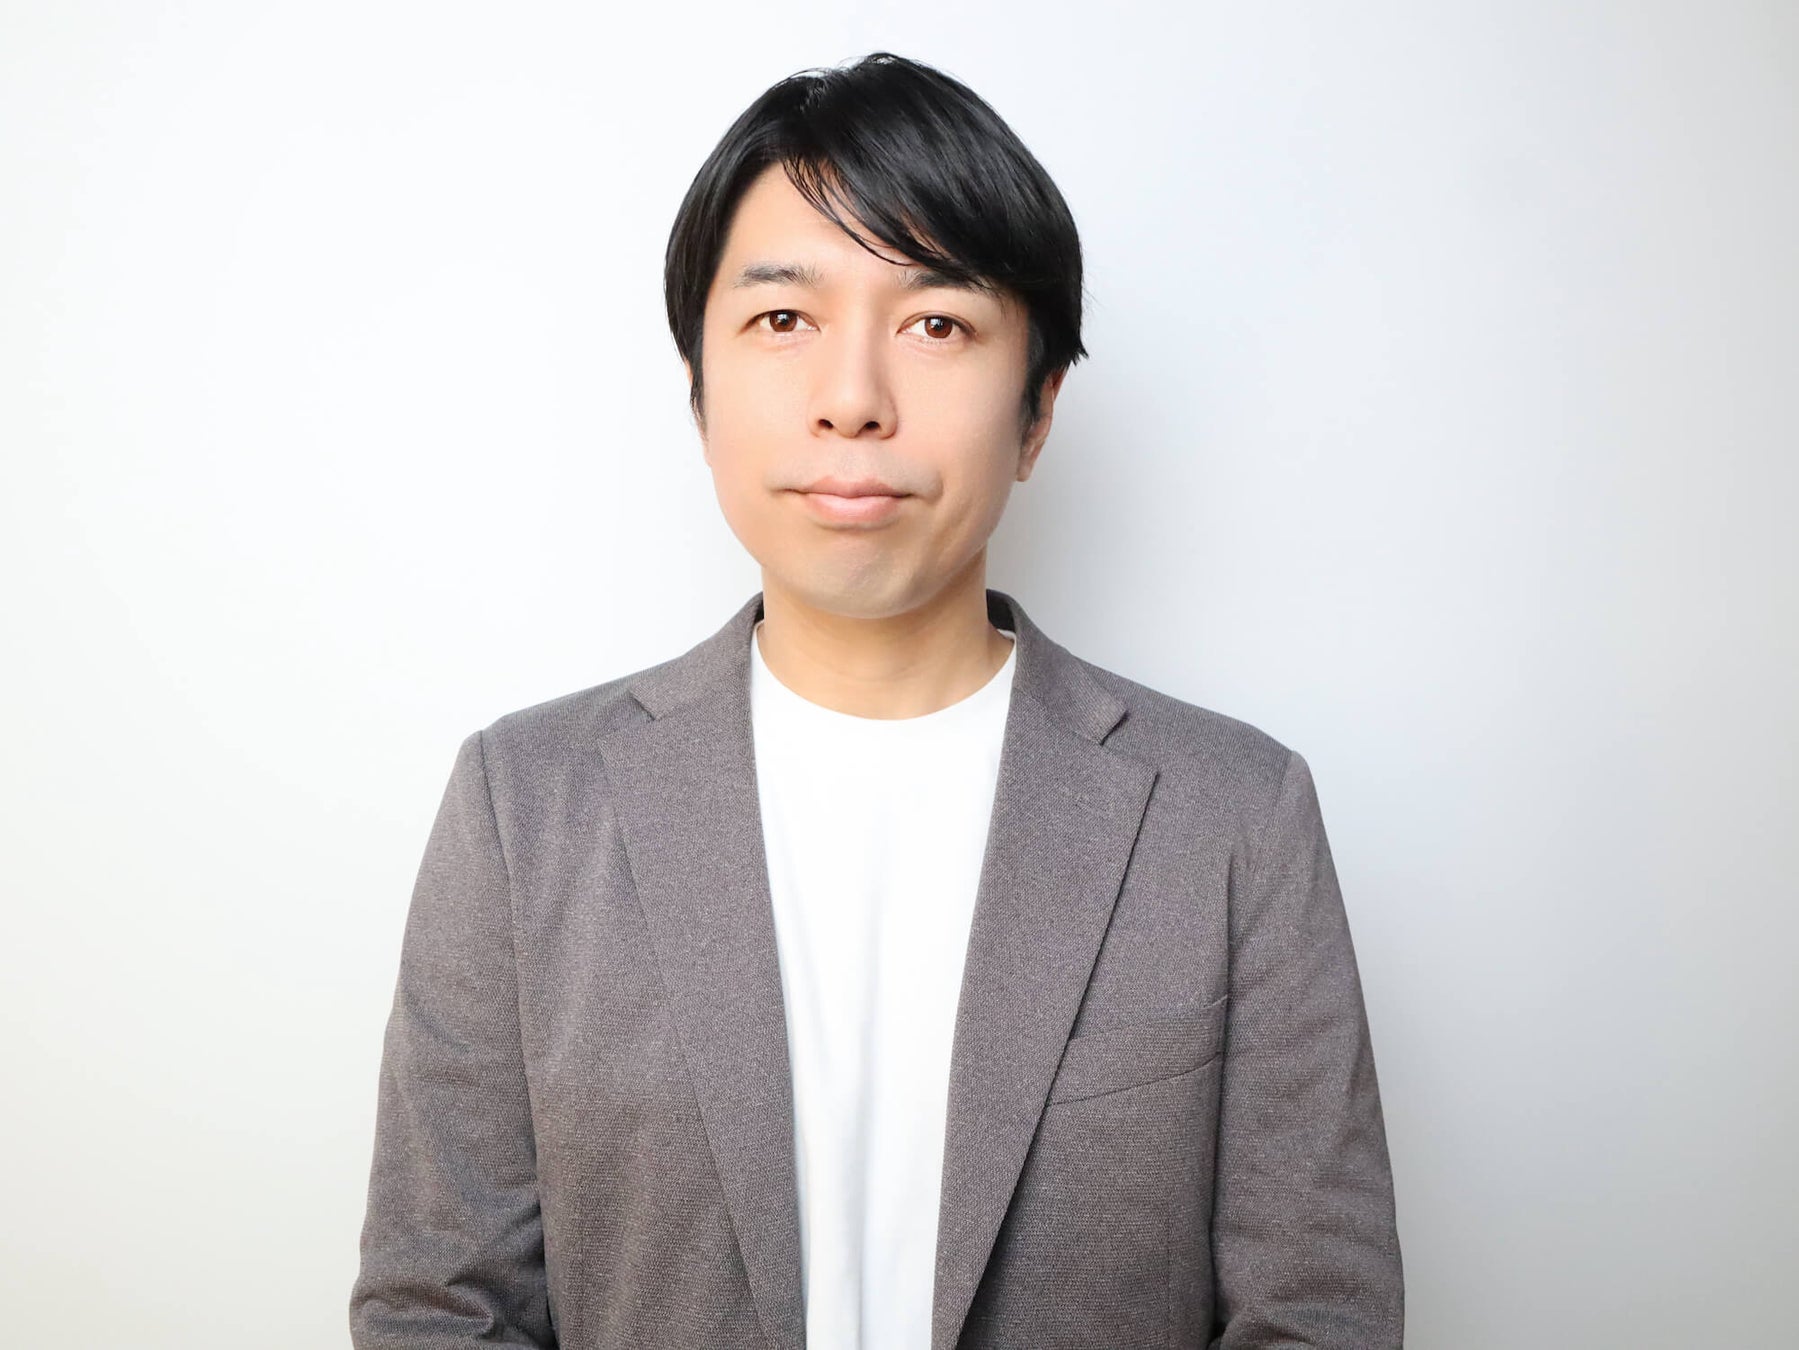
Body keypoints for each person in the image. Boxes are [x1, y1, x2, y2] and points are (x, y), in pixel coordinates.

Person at [349, 50, 1403, 1350]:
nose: (852, 400)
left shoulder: (1234, 815)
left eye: (937, 323)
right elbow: (440, 1304)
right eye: (783, 320)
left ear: (1037, 411)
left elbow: (1320, 1313)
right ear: (700, 394)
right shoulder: (527, 805)